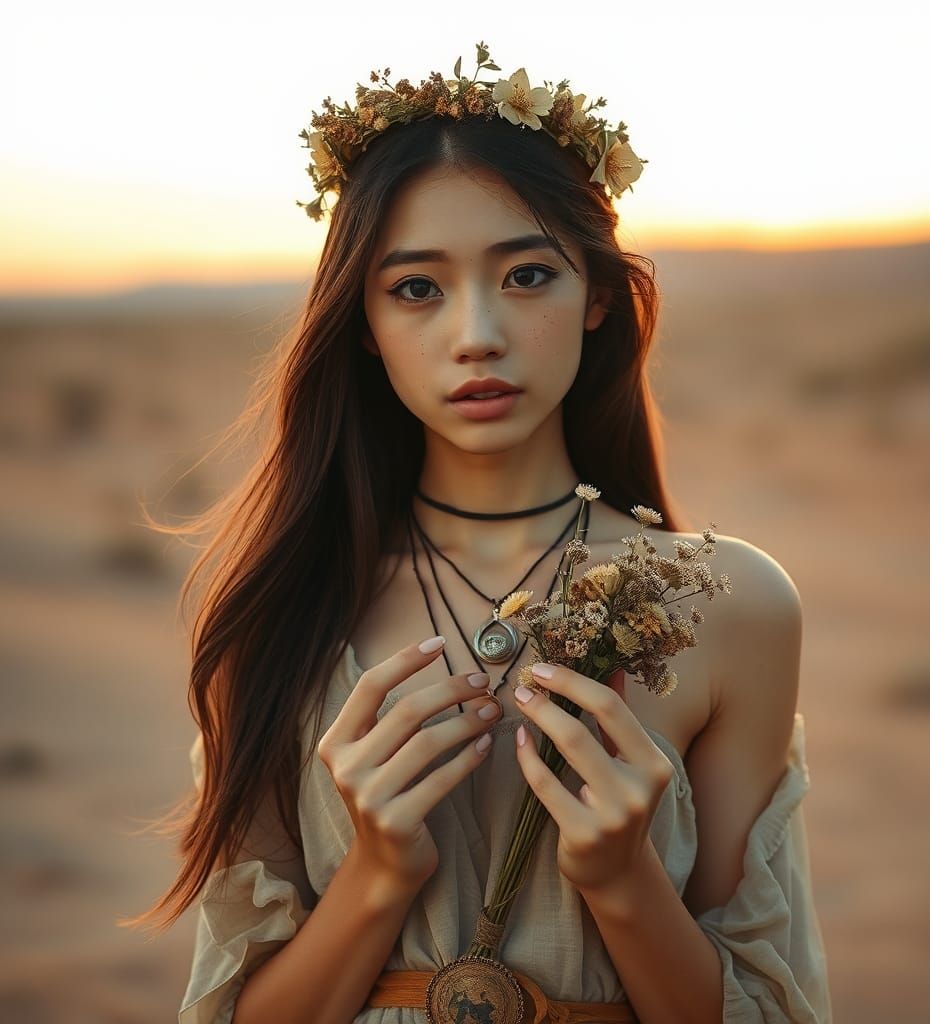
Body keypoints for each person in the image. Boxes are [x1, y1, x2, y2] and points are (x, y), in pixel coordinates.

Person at [121, 45, 833, 1023]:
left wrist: (622, 885)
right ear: (363, 322)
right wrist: (377, 873)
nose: (475, 334)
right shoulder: (284, 606)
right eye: (417, 288)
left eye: (527, 274)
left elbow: (762, 1004)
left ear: (595, 296)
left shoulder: (731, 603)